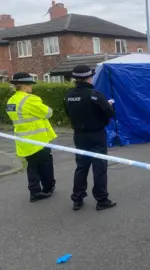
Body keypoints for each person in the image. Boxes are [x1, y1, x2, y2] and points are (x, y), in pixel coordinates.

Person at [64, 65, 116, 211]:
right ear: (89, 77)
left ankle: (77, 198)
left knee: (81, 166)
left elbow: (68, 114)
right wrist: (109, 105)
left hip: (79, 136)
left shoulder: (68, 95)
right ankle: (102, 199)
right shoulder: (95, 95)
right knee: (99, 168)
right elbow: (109, 113)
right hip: (96, 134)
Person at [6, 72, 57, 202]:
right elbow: (48, 113)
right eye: (30, 84)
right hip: (39, 139)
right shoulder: (30, 99)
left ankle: (34, 191)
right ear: (23, 86)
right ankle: (48, 188)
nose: (31, 87)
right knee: (45, 165)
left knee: (32, 166)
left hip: (23, 140)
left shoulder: (11, 101)